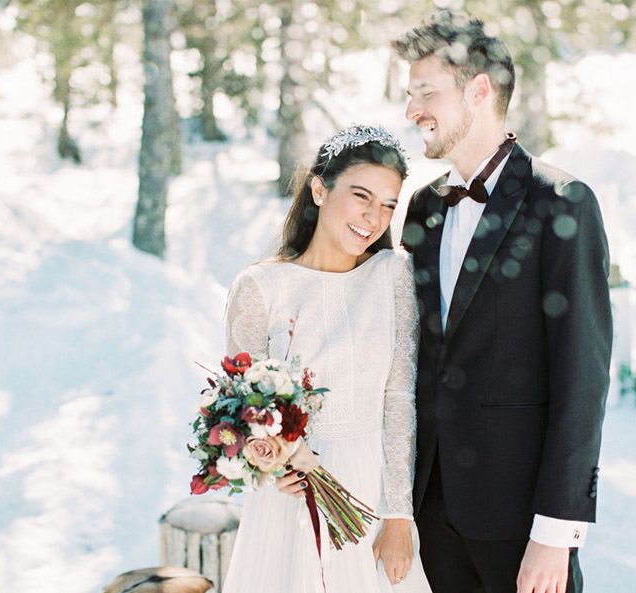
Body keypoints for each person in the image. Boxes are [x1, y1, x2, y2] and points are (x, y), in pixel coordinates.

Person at [392, 11, 613, 593]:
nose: (412, 110)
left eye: (425, 92)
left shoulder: (561, 203)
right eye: (409, 95)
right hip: (428, 515)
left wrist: (555, 529)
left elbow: (582, 377)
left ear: (479, 90)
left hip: (521, 522)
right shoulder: (422, 209)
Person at [221, 125, 433, 593]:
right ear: (319, 189)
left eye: (388, 205)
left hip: (372, 487)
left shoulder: (394, 275)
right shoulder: (259, 289)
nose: (373, 217)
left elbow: (399, 398)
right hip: (291, 495)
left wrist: (399, 514)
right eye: (361, 196)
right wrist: (277, 460)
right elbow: (241, 409)